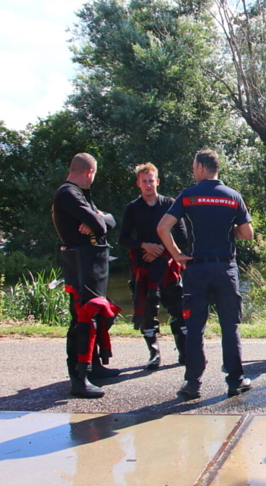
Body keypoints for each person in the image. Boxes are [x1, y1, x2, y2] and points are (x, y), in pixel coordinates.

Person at [157, 150, 254, 400]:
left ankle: (192, 384)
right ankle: (235, 381)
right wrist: (226, 227)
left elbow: (163, 227)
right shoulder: (233, 196)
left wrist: (177, 254)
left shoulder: (189, 195)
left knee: (195, 326)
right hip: (225, 269)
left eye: (193, 166)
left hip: (196, 269)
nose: (193, 169)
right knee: (229, 326)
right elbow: (247, 234)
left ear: (201, 167)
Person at [51, 153, 119, 399]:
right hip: (80, 266)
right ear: (90, 172)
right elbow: (102, 225)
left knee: (99, 315)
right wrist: (98, 220)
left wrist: (97, 219)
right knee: (83, 319)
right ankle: (79, 378)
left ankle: (95, 367)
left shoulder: (79, 195)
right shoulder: (68, 194)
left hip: (93, 266)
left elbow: (109, 220)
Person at [118, 163, 187, 369]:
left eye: (151, 180)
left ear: (158, 181)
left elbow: (182, 236)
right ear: (138, 184)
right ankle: (154, 353)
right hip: (144, 265)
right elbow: (123, 239)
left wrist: (169, 251)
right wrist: (143, 246)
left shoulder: (170, 204)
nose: (148, 185)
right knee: (148, 310)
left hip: (168, 265)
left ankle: (184, 351)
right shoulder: (132, 208)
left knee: (178, 308)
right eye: (144, 181)